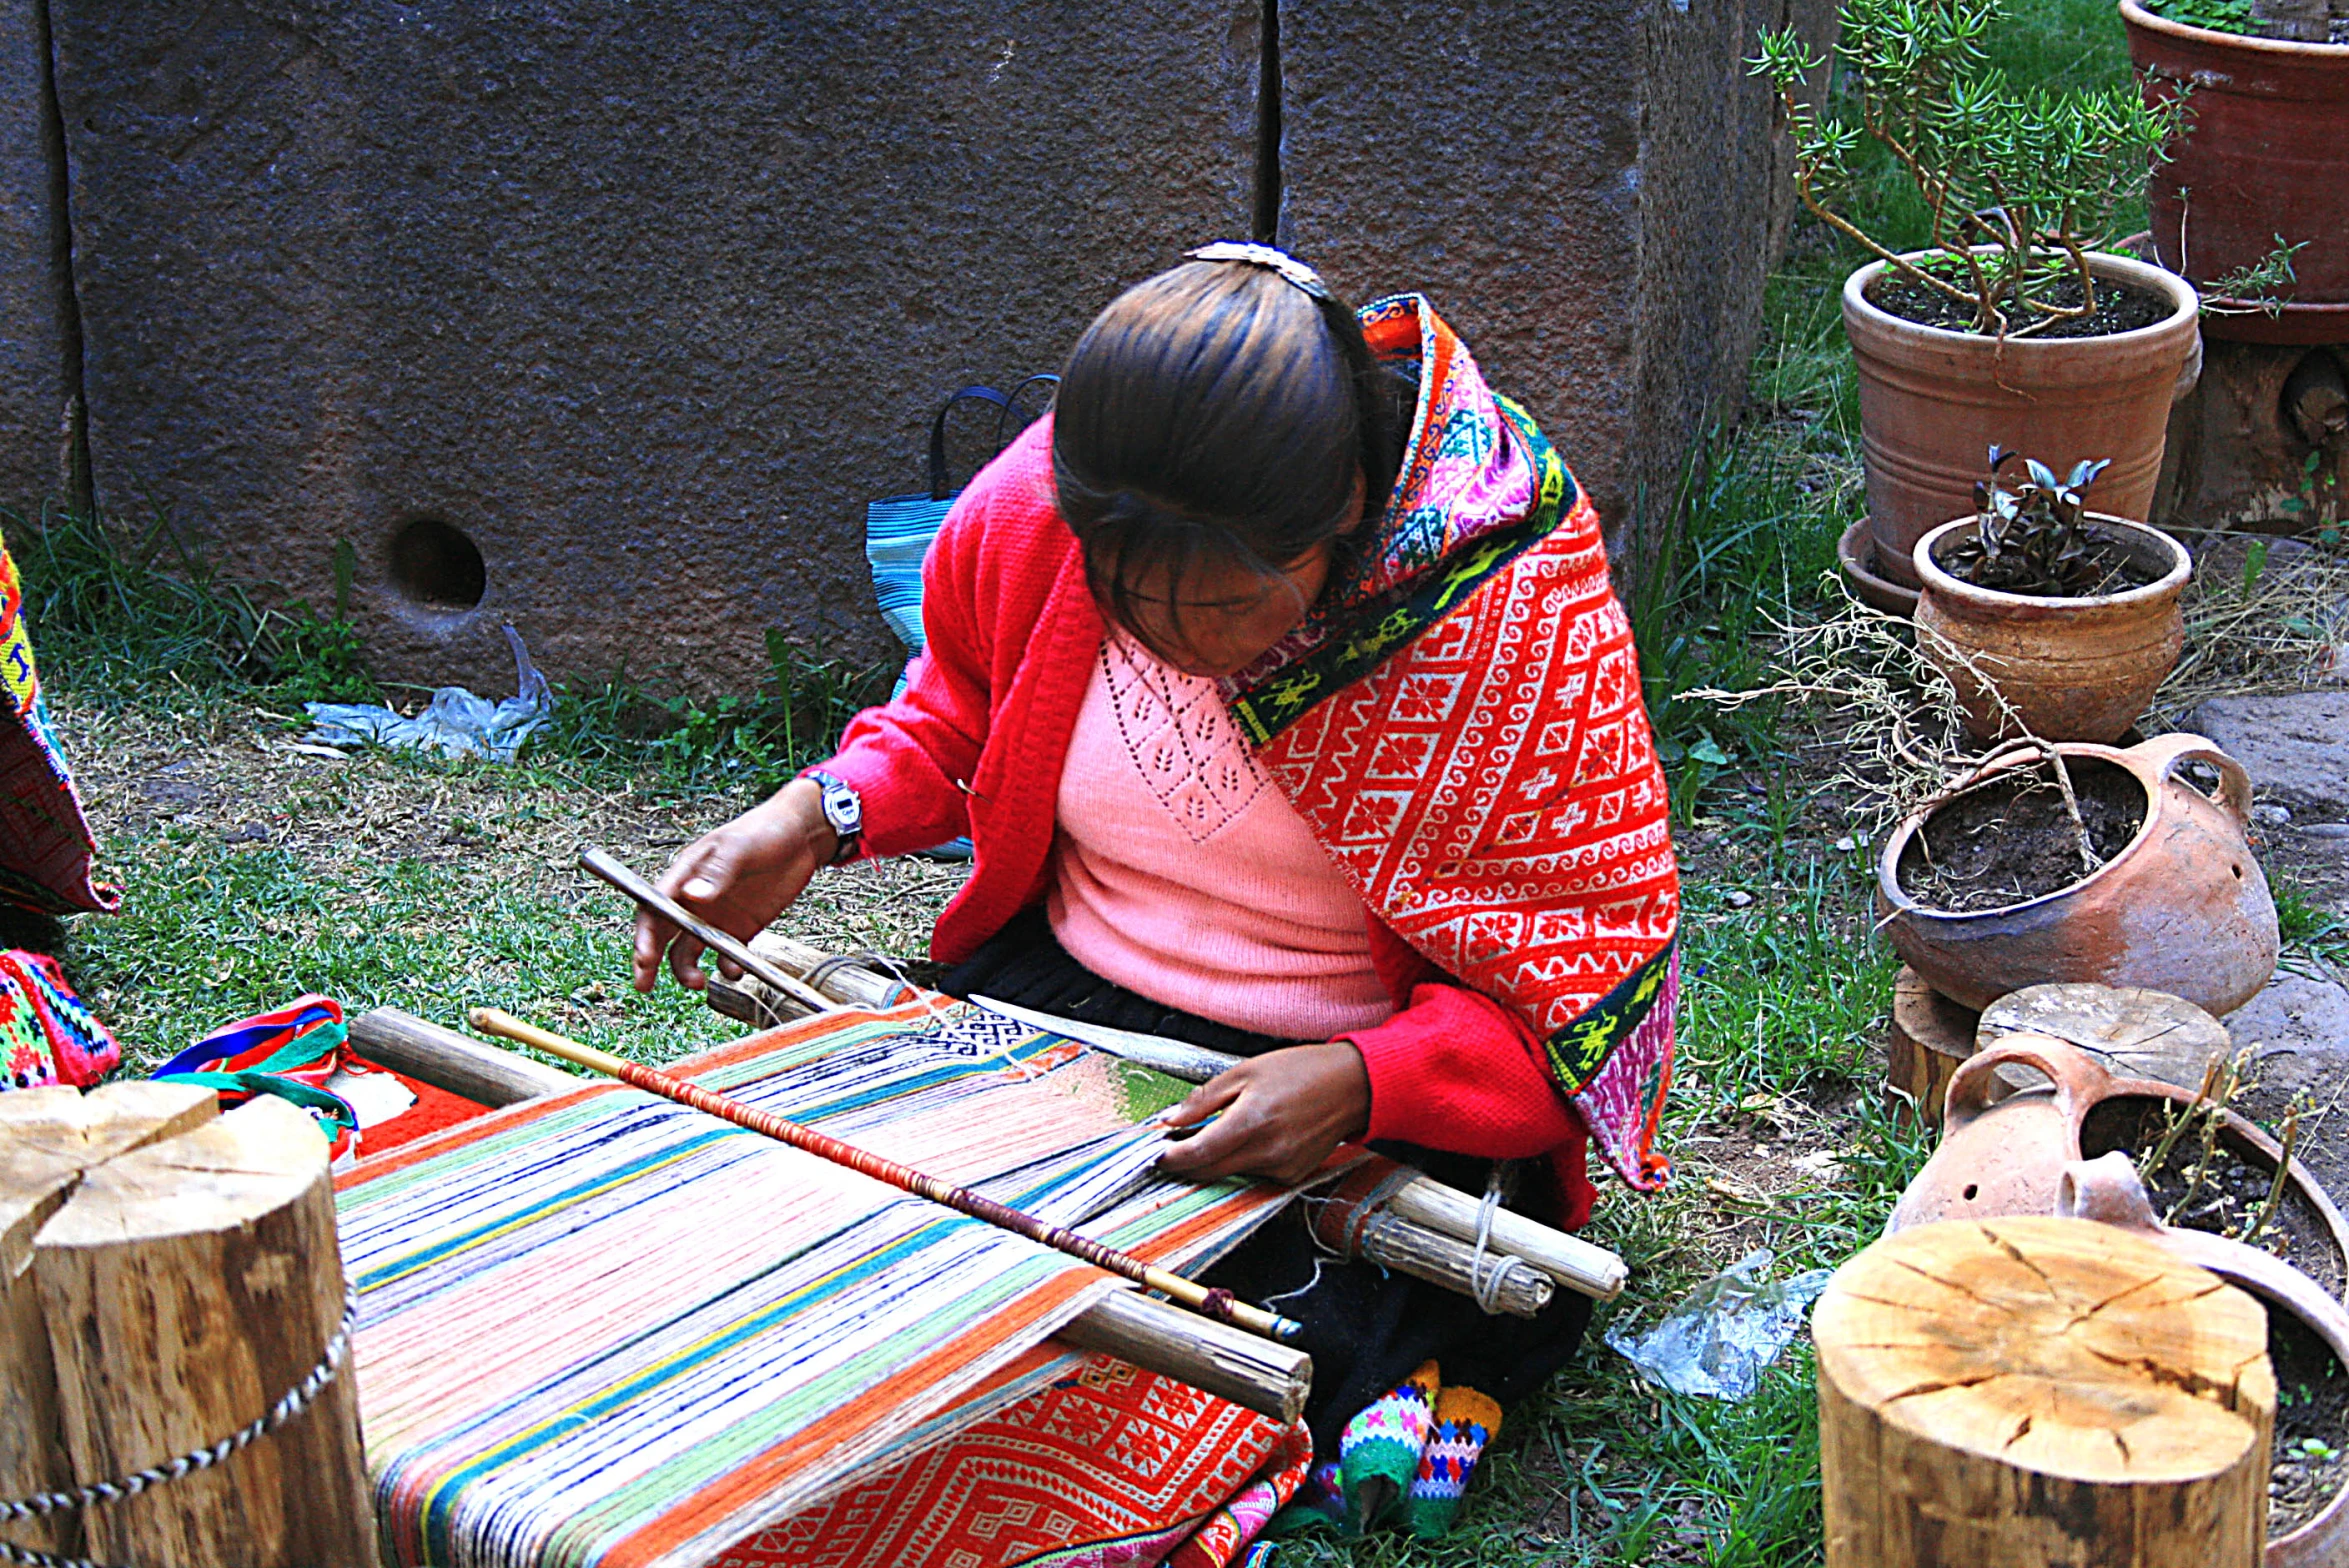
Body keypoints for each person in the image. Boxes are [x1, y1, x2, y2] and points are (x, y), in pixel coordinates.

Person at [633, 243, 1680, 1540]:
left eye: (1225, 611)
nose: (1178, 650)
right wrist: (819, 813)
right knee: (790, 1233)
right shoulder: (1055, 506)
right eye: (1137, 612)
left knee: (1132, 1366)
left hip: (1339, 1084)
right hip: (1052, 1013)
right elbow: (961, 706)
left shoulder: (1489, 611)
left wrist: (1365, 1084)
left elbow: (1578, 981)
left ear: (1345, 509)